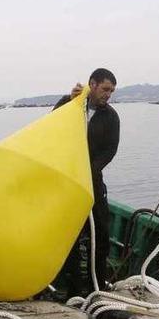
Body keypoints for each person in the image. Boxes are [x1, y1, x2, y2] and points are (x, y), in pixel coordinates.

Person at [53, 68, 119, 297]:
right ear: (92, 84)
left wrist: (90, 170)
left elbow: (110, 150)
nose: (108, 94)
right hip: (69, 184)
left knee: (100, 236)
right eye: (105, 89)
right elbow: (52, 127)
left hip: (92, 183)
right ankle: (73, 290)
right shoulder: (70, 104)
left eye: (111, 91)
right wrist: (68, 102)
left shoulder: (111, 117)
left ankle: (97, 287)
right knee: (69, 237)